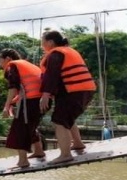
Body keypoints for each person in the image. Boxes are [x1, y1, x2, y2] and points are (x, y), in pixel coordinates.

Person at [39, 30, 96, 165]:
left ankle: (65, 154)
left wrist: (46, 95)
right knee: (67, 118)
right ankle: (77, 143)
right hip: (86, 89)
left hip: (73, 91)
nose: (42, 45)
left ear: (50, 42)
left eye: (43, 42)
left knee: (59, 121)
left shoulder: (55, 54)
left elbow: (51, 76)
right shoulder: (69, 51)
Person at [0, 49, 47, 168]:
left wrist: (6, 106)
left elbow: (13, 88)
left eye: (0, 60)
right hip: (42, 100)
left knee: (19, 129)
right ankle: (39, 151)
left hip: (31, 101)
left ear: (8, 58)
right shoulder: (28, 65)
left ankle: (23, 161)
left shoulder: (12, 66)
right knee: (29, 126)